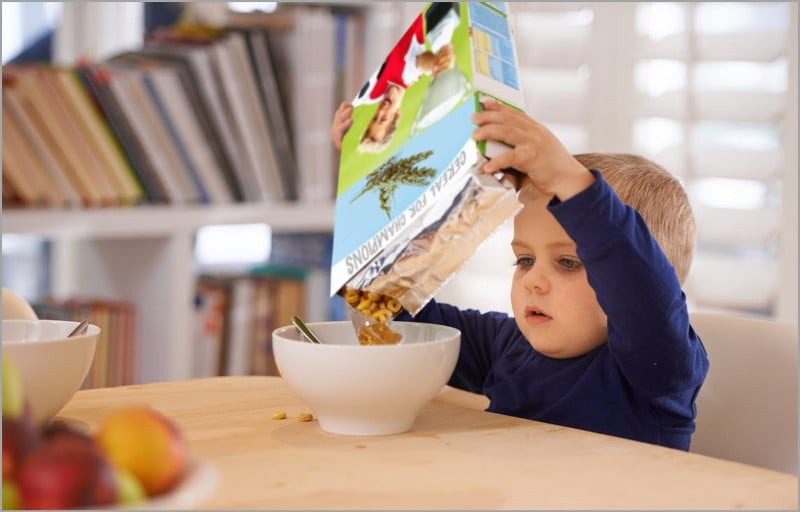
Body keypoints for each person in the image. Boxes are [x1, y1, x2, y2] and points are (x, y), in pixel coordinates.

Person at [330, 99, 709, 450]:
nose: (532, 281)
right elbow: (389, 315)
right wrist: (367, 181)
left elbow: (639, 289)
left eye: (568, 263)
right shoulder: (505, 345)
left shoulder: (658, 368)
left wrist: (569, 180)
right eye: (525, 260)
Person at [352, 5, 458, 153]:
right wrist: (440, 59)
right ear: (397, 115)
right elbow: (423, 63)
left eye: (375, 117)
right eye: (383, 119)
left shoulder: (366, 95)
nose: (381, 111)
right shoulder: (411, 71)